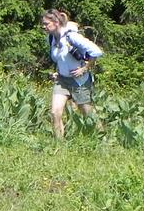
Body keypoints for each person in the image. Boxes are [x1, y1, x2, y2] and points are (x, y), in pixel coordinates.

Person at [42, 9, 103, 139]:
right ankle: (59, 144)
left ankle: (102, 137)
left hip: (79, 81)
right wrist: (58, 71)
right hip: (62, 80)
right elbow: (61, 58)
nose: (44, 27)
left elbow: (96, 51)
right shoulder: (51, 38)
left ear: (56, 22)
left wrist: (84, 68)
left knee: (87, 112)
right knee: (55, 112)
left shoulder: (72, 36)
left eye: (46, 24)